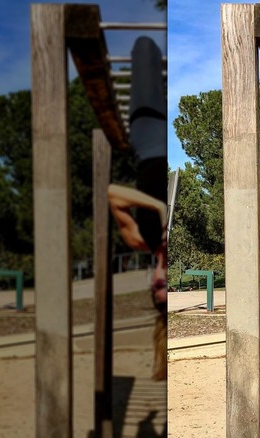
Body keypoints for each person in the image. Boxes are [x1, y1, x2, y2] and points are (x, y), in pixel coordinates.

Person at [107, 36, 168, 380]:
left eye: (155, 287)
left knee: (144, 47)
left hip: (148, 140)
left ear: (151, 279)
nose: (162, 279)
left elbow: (114, 193)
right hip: (170, 135)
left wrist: (156, 207)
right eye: (166, 288)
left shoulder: (140, 239)